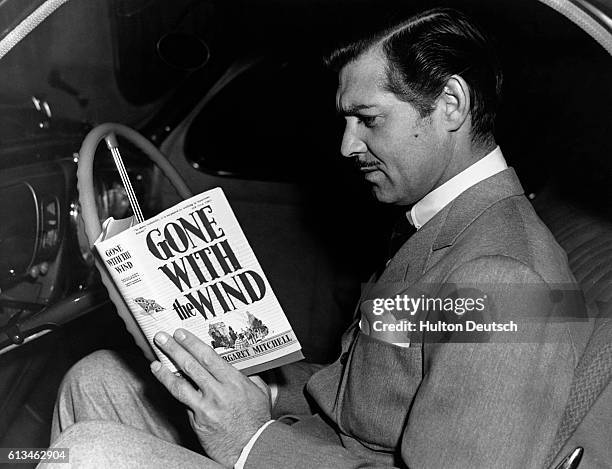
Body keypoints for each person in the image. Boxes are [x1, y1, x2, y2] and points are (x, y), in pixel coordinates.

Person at [45, 8, 590, 468]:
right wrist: (269, 390)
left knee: (88, 452)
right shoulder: (442, 228)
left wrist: (251, 438)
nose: (348, 146)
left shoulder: (505, 280)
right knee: (99, 378)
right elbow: (369, 387)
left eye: (367, 119)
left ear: (450, 103)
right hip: (326, 445)